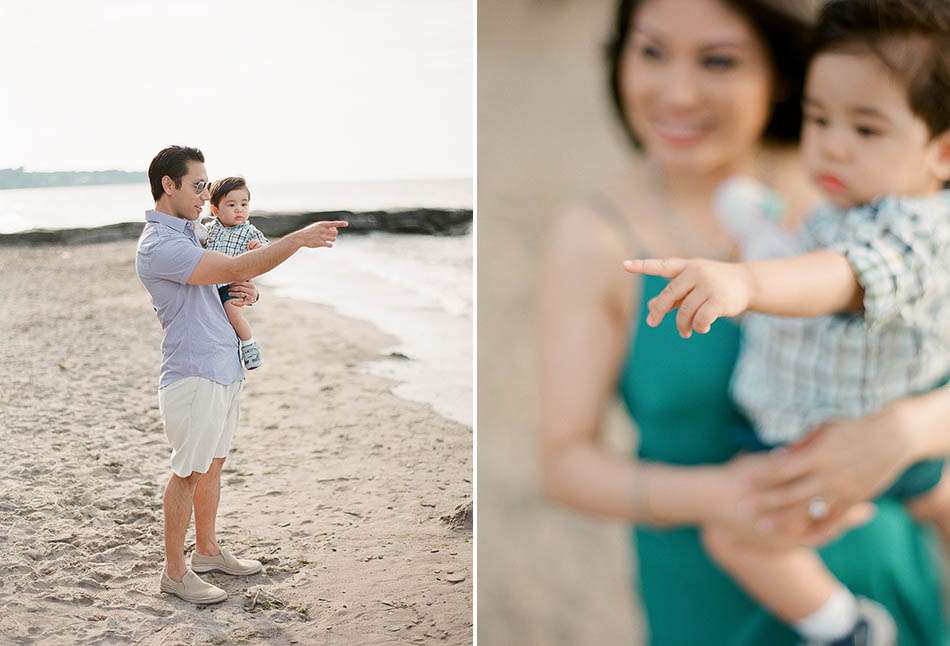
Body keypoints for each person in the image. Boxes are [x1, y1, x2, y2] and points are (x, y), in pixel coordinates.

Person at [536, 1, 950, 644]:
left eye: (718, 60)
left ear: (782, 71)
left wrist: (909, 428)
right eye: (651, 52)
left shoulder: (853, 182)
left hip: (883, 559)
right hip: (714, 592)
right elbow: (563, 464)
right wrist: (720, 497)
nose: (677, 92)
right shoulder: (593, 239)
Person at [135, 145, 347, 604]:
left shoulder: (195, 234)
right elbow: (233, 265)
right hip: (193, 371)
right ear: (168, 186)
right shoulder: (162, 244)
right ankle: (174, 573)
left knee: (213, 465)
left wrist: (246, 294)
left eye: (206, 186)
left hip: (223, 364)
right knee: (187, 472)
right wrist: (296, 239)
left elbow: (226, 282)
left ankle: (207, 552)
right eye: (197, 186)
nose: (204, 193)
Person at [203, 176, 269, 370]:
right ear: (215, 210)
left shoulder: (250, 231)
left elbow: (267, 251)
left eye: (244, 204)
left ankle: (248, 344)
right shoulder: (210, 229)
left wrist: (259, 248)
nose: (239, 209)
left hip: (234, 285)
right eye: (231, 205)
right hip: (210, 284)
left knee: (233, 313)